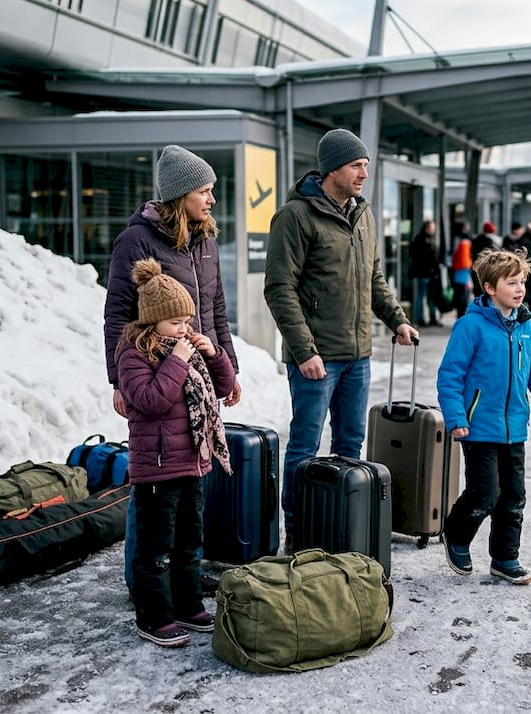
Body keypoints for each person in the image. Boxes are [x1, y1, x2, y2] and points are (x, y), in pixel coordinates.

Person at [263, 128, 419, 543]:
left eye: (366, 165)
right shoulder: (294, 217)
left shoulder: (362, 214)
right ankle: (297, 533)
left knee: (351, 443)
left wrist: (397, 320)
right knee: (305, 446)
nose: (364, 173)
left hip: (358, 356)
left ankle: (340, 526)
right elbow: (279, 289)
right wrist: (304, 350)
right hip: (317, 358)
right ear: (332, 168)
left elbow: (374, 279)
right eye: (356, 165)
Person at [117, 258, 235, 648]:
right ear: (152, 321)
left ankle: (188, 605)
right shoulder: (134, 355)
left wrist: (213, 353)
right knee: (154, 547)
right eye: (175, 323)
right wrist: (179, 361)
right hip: (157, 469)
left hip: (193, 464)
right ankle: (153, 617)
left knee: (189, 542)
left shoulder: (187, 349)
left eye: (186, 322)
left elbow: (223, 386)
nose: (183, 329)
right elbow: (151, 401)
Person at [436, 248, 531, 585]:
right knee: (485, 493)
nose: (520, 288)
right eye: (512, 282)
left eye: (522, 281)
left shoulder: (528, 328)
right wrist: (456, 418)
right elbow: (450, 376)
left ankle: (505, 558)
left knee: (513, 496)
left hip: (514, 429)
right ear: (490, 288)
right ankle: (456, 533)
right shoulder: (470, 327)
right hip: (478, 427)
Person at [104, 144, 241, 417]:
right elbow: (118, 315)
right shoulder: (135, 241)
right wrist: (119, 381)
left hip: (203, 373)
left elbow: (217, 313)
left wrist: (230, 368)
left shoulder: (207, 243)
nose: (211, 200)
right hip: (159, 376)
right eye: (203, 192)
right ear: (180, 196)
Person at [408, 219, 443, 327]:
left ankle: (430, 318)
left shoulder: (426, 240)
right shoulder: (422, 241)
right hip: (424, 273)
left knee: (429, 297)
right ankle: (420, 319)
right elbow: (421, 257)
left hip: (429, 273)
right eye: (432, 228)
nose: (433, 230)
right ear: (427, 228)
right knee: (422, 296)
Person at [449, 223, 474, 316]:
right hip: (462, 269)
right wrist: (469, 265)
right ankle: (462, 314)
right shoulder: (464, 240)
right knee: (463, 293)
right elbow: (463, 257)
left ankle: (461, 313)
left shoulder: (456, 239)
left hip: (458, 269)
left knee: (461, 292)